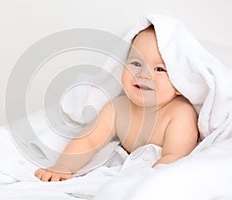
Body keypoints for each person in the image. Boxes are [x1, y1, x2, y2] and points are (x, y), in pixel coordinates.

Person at [35, 25, 199, 182]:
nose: (143, 74)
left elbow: (175, 157)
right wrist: (63, 166)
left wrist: (147, 183)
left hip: (153, 179)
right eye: (136, 63)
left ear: (179, 81)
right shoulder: (118, 108)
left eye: (159, 69)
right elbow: (89, 140)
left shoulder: (180, 114)